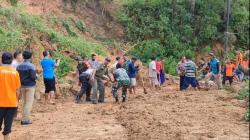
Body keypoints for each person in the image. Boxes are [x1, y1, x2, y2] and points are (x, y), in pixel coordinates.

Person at [0, 52, 21, 140]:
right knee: (7, 129)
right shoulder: (15, 73)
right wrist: (17, 101)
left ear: (2, 60)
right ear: (11, 60)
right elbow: (17, 90)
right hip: (12, 103)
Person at [16, 51, 37, 125]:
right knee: (29, 103)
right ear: (30, 57)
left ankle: (24, 117)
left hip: (22, 86)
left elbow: (17, 76)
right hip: (30, 86)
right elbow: (33, 77)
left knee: (24, 102)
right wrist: (36, 76)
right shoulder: (32, 66)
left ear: (23, 57)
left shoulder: (19, 66)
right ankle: (25, 120)